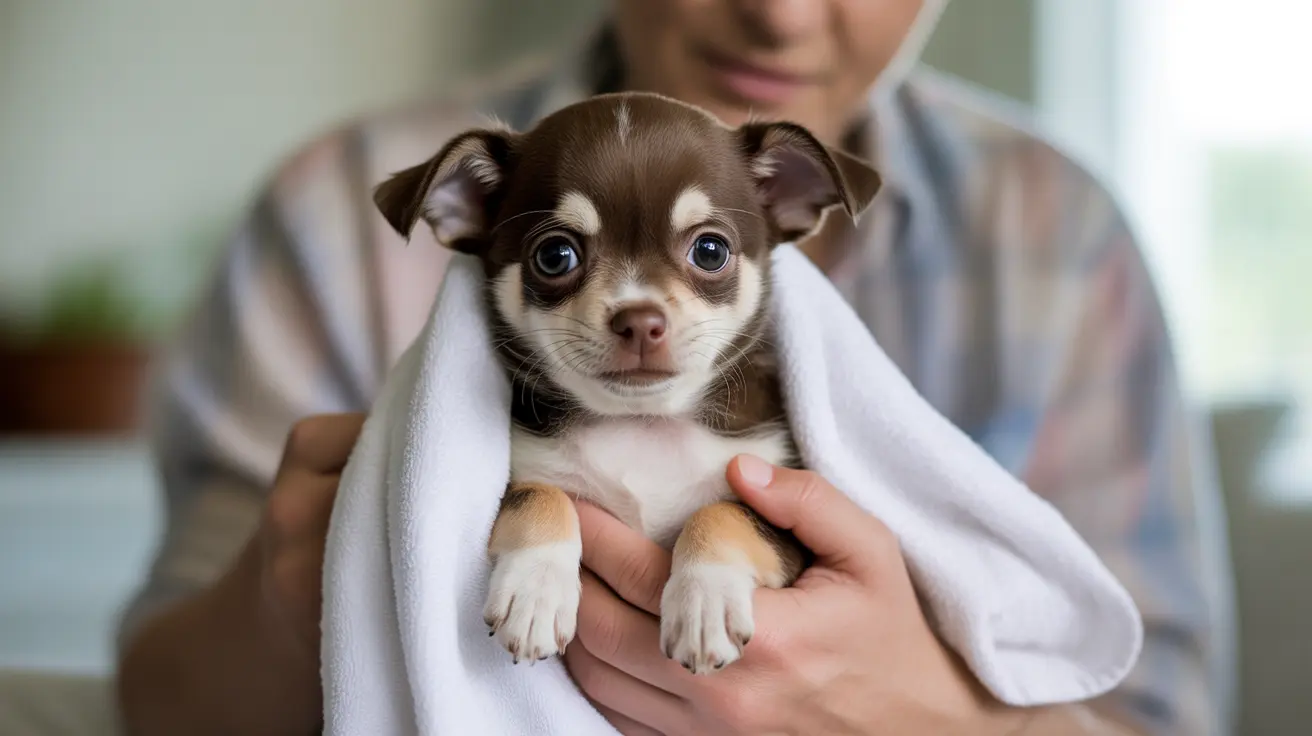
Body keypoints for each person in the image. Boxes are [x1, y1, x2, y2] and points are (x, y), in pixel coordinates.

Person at [113, 1, 1235, 734]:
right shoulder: (334, 215)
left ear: (788, 205)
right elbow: (152, 701)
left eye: (707, 254)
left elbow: (1156, 703)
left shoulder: (1061, 233)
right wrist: (344, 571)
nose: (780, 11)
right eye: (560, 258)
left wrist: (938, 716)